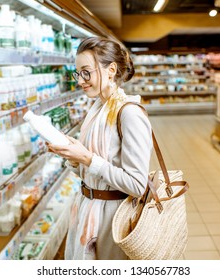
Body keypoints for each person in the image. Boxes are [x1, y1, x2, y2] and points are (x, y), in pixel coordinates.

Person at [47, 37, 153, 260]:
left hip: (113, 219)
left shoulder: (129, 113)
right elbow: (90, 172)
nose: (81, 81)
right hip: (89, 207)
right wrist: (73, 156)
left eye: (87, 72)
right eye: (78, 73)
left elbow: (137, 185)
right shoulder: (97, 108)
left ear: (111, 69)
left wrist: (87, 158)